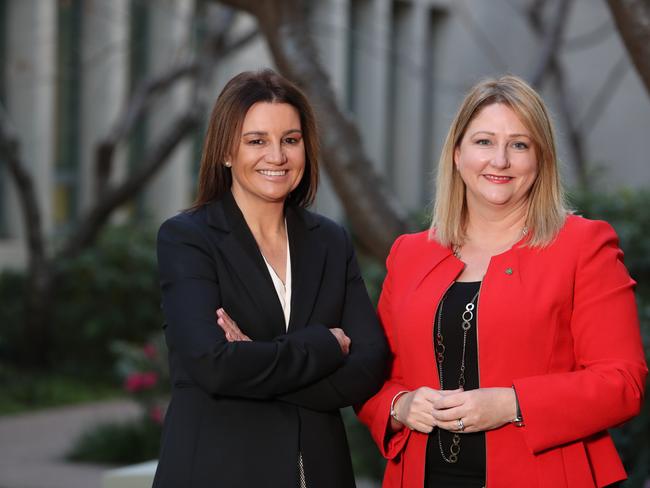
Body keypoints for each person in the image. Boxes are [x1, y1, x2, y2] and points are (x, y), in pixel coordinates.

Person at [357, 75, 647, 487]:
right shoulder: (410, 253)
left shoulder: (583, 245)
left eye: (519, 145)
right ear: (457, 155)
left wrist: (512, 403)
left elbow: (623, 382)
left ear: (540, 159)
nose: (500, 161)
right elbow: (373, 374)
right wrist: (399, 406)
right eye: (484, 142)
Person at [153, 69, 388, 488]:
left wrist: (256, 360)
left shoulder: (330, 241)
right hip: (219, 471)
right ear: (226, 151)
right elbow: (212, 364)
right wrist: (324, 345)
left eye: (290, 140)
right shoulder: (188, 238)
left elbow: (368, 366)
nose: (276, 156)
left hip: (320, 473)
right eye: (257, 140)